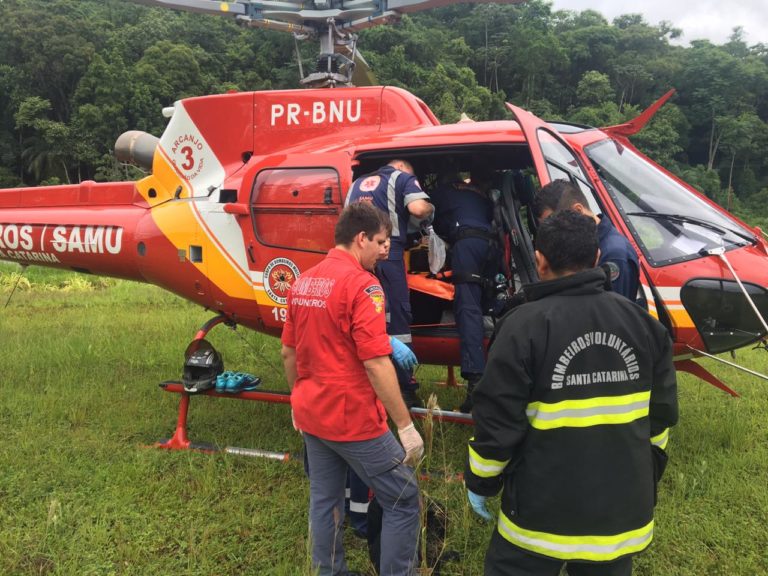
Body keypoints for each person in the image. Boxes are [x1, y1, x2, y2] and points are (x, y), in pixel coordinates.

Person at [465, 211, 678, 576]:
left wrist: (482, 482)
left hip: (536, 521)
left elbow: (497, 423)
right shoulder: (645, 325)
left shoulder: (520, 328)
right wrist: (644, 475)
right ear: (597, 259)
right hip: (619, 518)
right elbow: (659, 420)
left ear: (539, 261)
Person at [282, 202, 423, 576]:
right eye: (379, 242)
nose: (383, 251)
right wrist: (406, 428)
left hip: (312, 414)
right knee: (403, 497)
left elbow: (288, 352)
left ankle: (328, 571)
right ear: (360, 238)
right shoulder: (363, 285)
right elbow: (376, 363)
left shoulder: (304, 281)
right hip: (353, 419)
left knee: (325, 499)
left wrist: (298, 400)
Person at [346, 159, 434, 408]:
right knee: (397, 317)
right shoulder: (401, 178)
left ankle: (367, 381)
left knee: (364, 314)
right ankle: (404, 388)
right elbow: (418, 209)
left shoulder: (357, 183)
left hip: (355, 255)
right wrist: (430, 208)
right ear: (404, 168)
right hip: (389, 252)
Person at [431, 165, 499, 413]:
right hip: (491, 247)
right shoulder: (477, 193)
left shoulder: (443, 193)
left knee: (467, 309)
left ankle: (475, 385)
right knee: (487, 308)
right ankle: (498, 372)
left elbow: (427, 220)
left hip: (467, 246)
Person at [531, 179, 640, 302]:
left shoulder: (614, 255)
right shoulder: (578, 245)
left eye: (555, 219)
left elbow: (614, 313)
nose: (552, 228)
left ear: (578, 210)